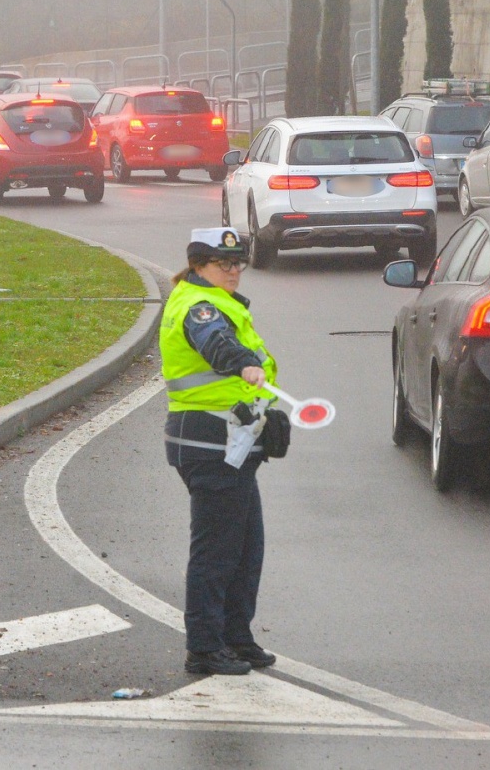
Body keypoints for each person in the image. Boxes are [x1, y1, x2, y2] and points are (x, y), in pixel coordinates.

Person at [161, 227, 284, 676]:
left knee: (246, 549)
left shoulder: (221, 300)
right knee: (216, 552)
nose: (233, 271)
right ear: (198, 265)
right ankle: (204, 647)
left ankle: (235, 636)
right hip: (208, 441)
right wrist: (242, 362)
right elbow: (214, 340)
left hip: (232, 441)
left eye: (238, 263)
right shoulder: (199, 305)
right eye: (223, 263)